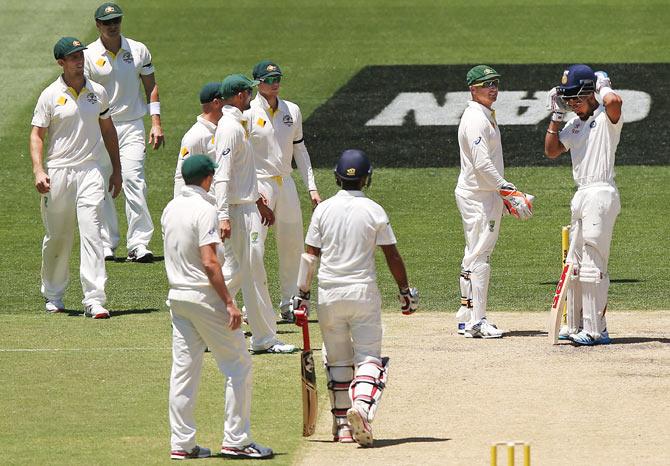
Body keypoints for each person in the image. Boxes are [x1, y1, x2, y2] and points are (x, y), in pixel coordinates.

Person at [290, 149, 418, 447]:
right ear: (366, 179)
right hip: (362, 293)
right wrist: (405, 292)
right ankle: (360, 407)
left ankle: (342, 428)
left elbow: (310, 256)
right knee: (369, 357)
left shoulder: (322, 210)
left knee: (337, 361)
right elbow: (392, 256)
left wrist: (302, 297)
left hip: (328, 295)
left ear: (337, 177)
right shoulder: (374, 210)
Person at [162, 155, 273, 460]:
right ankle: (236, 440)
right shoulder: (206, 209)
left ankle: (182, 444)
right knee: (239, 365)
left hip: (178, 299)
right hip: (204, 298)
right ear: (208, 179)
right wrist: (229, 303)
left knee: (183, 372)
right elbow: (210, 262)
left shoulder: (171, 209)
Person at [30, 37, 122, 318]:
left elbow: (108, 131)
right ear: (61, 62)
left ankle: (94, 298)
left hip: (91, 170)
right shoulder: (49, 95)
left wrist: (116, 170)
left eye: (81, 56)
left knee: (92, 230)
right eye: (73, 58)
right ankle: (54, 294)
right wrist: (38, 169)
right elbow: (36, 135)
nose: (79, 61)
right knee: (58, 236)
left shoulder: (98, 92)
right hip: (59, 171)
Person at [213, 74, 295, 354]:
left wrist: (259, 204)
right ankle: (263, 337)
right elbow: (222, 176)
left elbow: (242, 173)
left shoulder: (238, 125)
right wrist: (223, 215)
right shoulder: (229, 128)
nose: (250, 98)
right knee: (252, 272)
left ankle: (259, 336)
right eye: (247, 93)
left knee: (243, 271)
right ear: (239, 96)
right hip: (237, 211)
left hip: (247, 207)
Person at [545, 64, 623, 346]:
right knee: (574, 263)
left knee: (592, 264)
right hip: (581, 193)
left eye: (575, 98)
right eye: (567, 100)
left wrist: (603, 84)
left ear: (590, 93)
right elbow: (552, 150)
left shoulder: (606, 117)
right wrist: (555, 116)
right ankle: (575, 323)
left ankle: (596, 329)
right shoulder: (574, 124)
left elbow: (614, 101)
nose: (572, 104)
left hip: (601, 192)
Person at [454, 65, 533, 339]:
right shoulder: (475, 118)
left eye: (495, 84)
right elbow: (481, 163)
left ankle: (465, 317)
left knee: (472, 253)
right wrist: (507, 189)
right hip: (479, 195)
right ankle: (477, 321)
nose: (493, 89)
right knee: (480, 256)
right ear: (472, 89)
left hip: (482, 193)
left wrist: (502, 191)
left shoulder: (483, 115)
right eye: (487, 84)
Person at [84, 2, 165, 263]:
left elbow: (151, 86)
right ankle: (107, 243)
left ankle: (139, 243)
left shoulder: (138, 50)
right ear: (98, 25)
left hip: (131, 125)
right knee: (105, 184)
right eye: (107, 22)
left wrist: (156, 122)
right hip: (101, 127)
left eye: (116, 20)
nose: (113, 25)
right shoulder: (87, 55)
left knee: (133, 180)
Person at [245, 60, 321, 322]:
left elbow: (300, 149)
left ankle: (290, 302)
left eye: (278, 78)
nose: (275, 83)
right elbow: (241, 158)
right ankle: (252, 306)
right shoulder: (248, 113)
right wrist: (252, 191)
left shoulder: (292, 110)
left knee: (293, 245)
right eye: (269, 79)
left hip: (285, 183)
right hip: (259, 184)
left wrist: (311, 187)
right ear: (256, 83)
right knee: (254, 248)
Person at [173, 82, 224, 198]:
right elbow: (182, 175)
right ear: (216, 103)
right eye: (226, 100)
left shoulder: (226, 128)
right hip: (209, 205)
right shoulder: (195, 136)